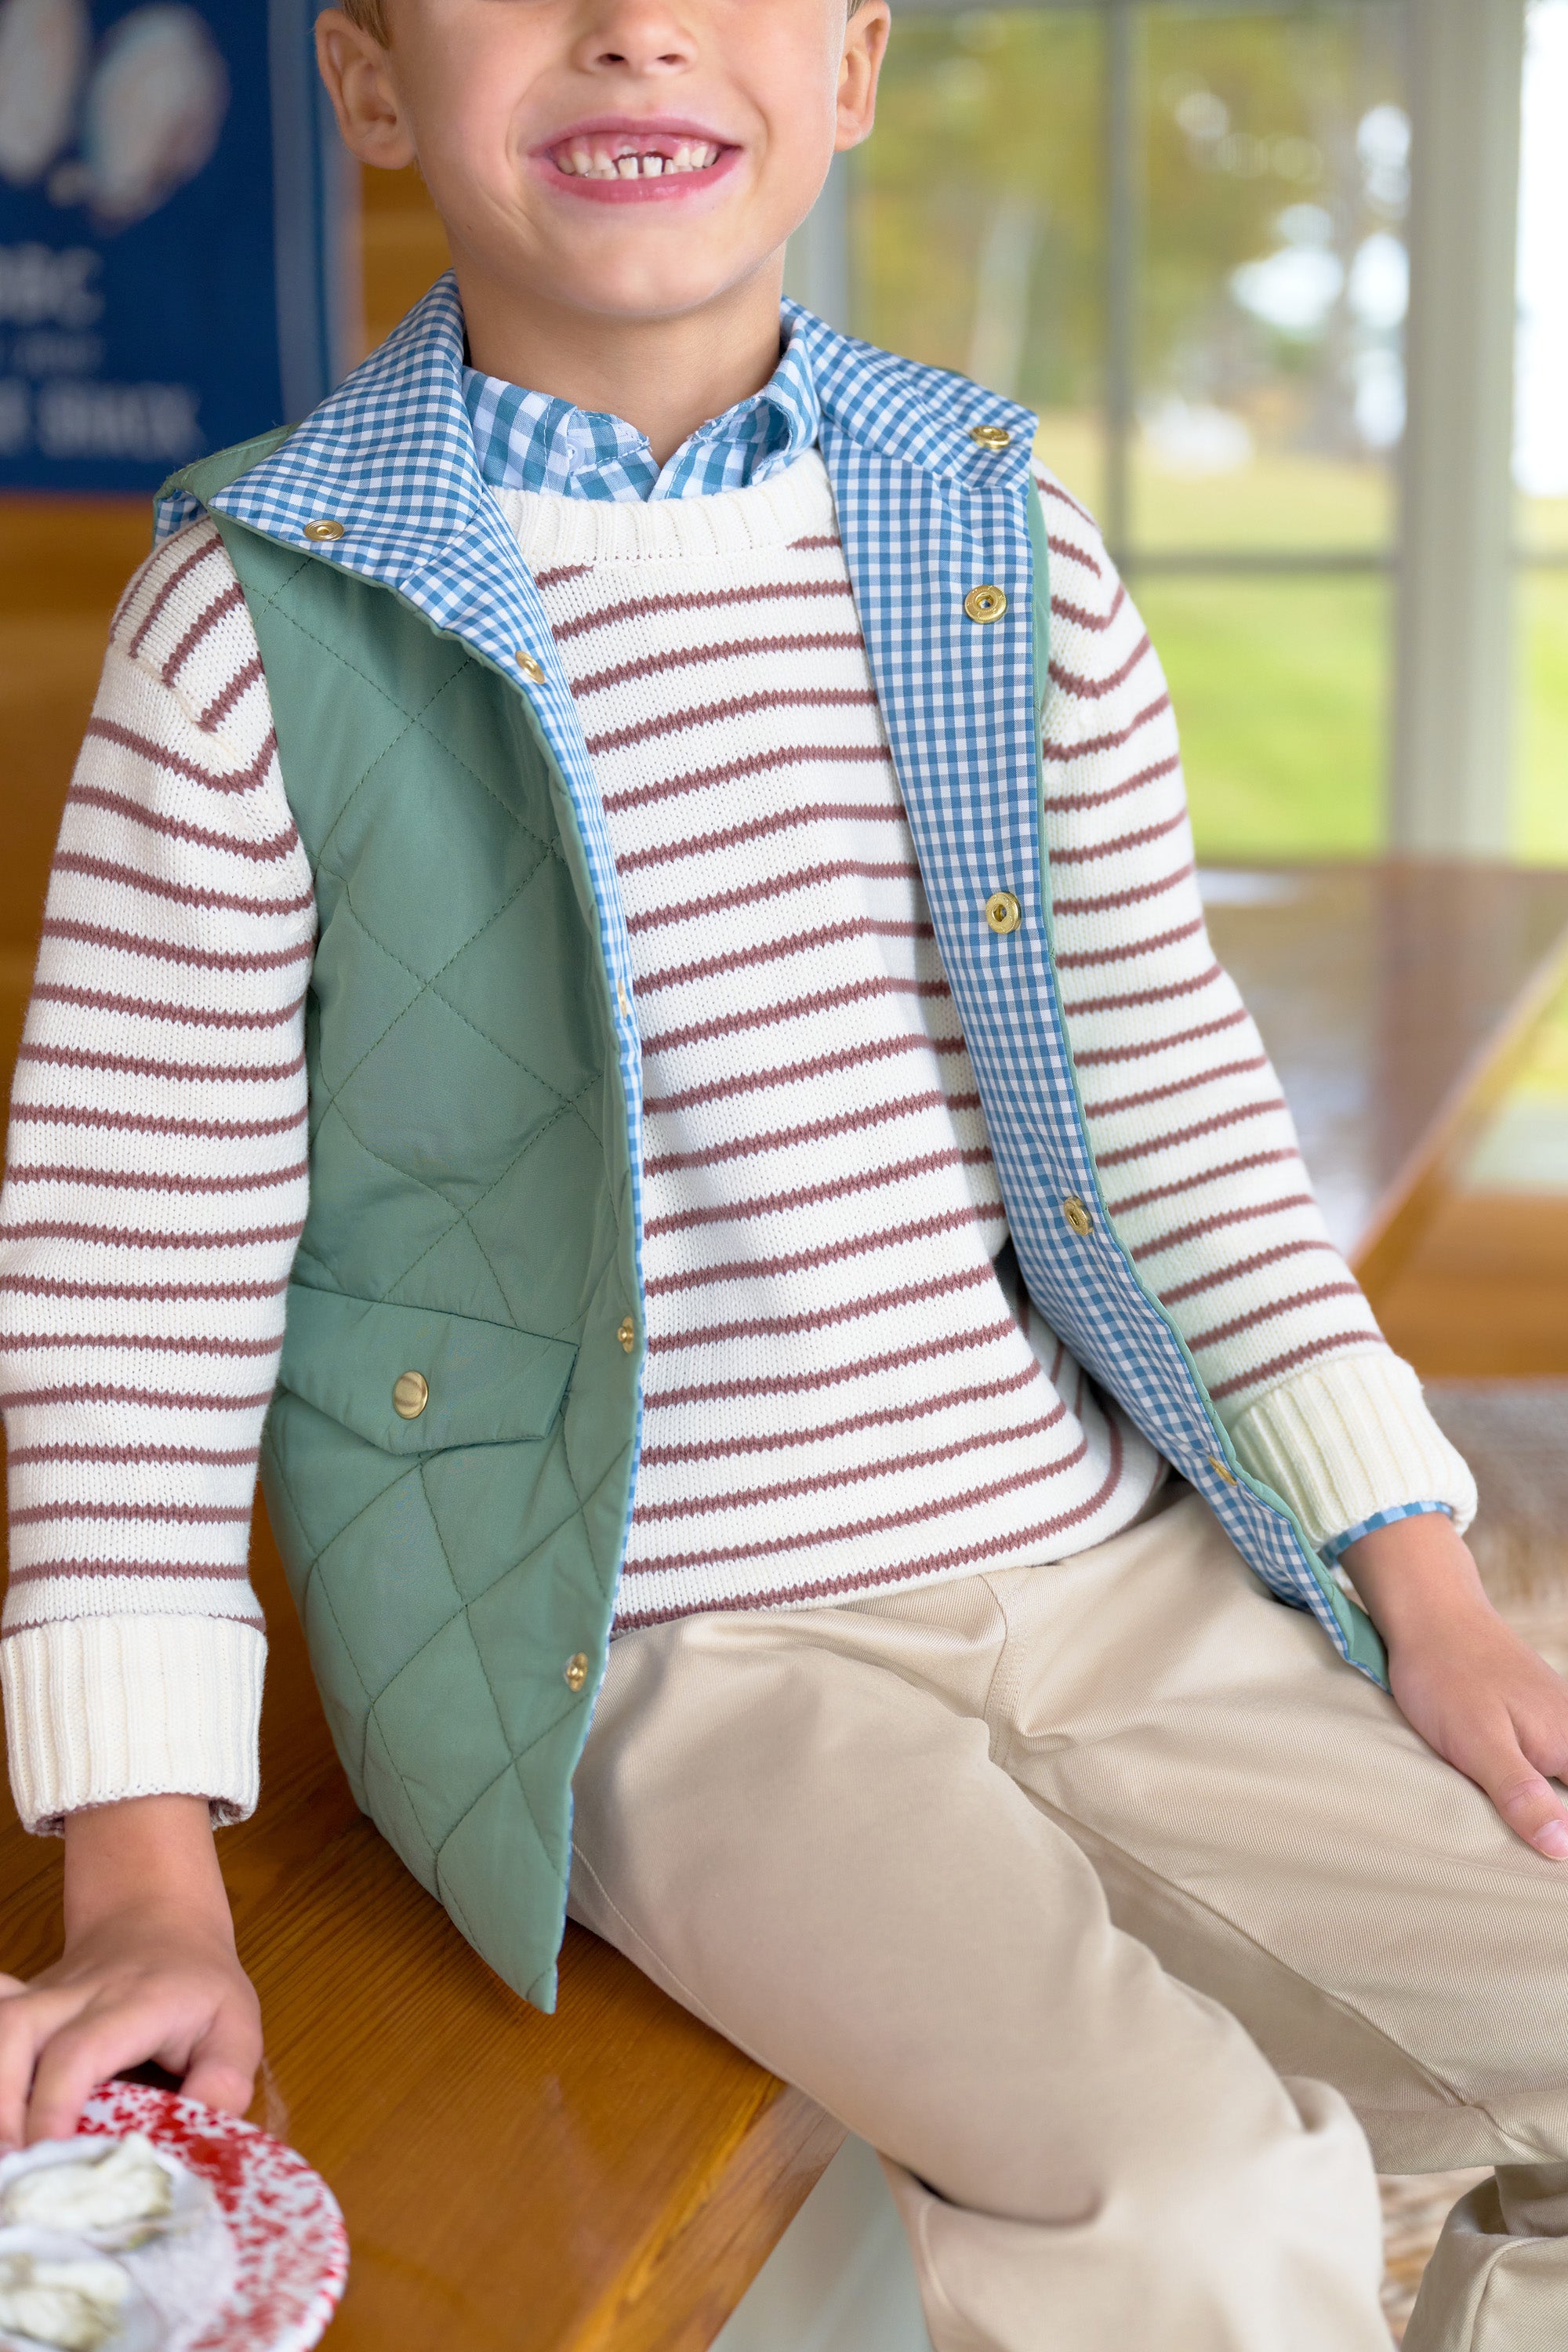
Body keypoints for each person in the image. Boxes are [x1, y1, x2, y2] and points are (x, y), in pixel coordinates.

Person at [1, 0, 1565, 2343]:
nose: (636, 25)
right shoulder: (250, 625)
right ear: (370, 83)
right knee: (1196, 2189)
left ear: (850, 64)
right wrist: (139, 1875)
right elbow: (137, 1289)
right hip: (672, 1656)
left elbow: (1178, 1109)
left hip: (1104, 1559)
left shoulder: (999, 542)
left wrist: (1424, 1587)